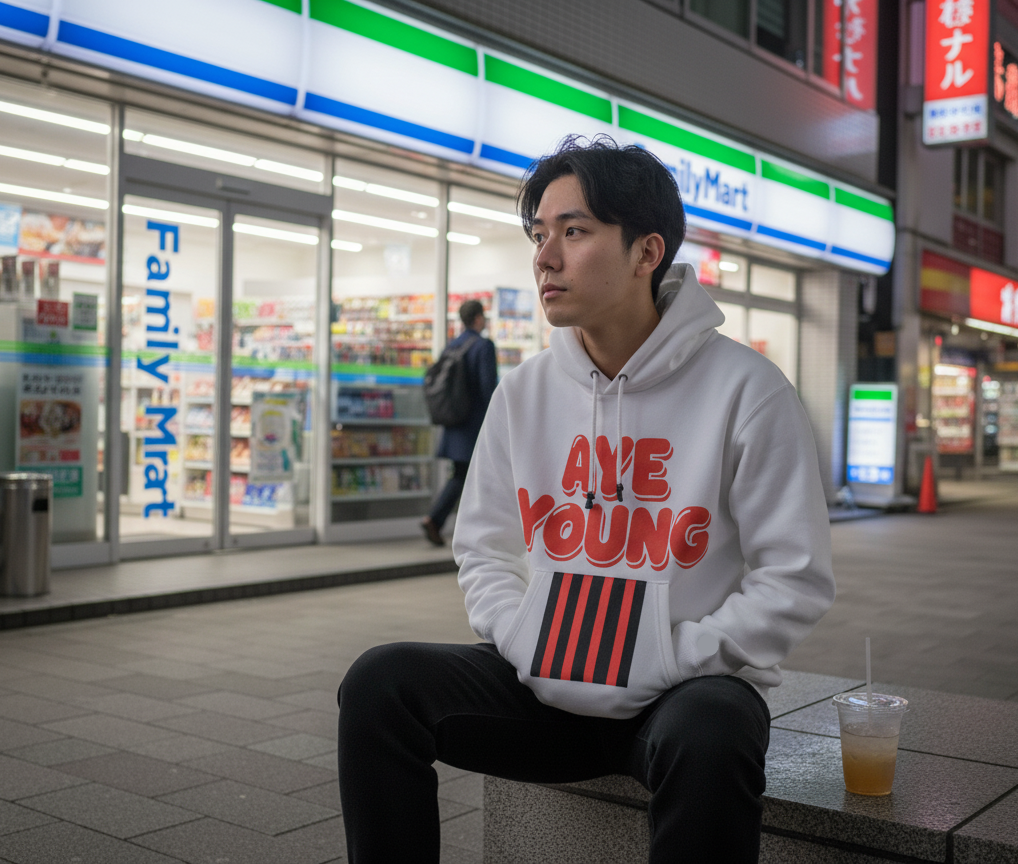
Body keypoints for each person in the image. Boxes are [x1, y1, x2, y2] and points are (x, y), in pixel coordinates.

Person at [338, 136, 835, 863]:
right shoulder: (525, 392)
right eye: (539, 234)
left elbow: (793, 576)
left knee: (713, 730)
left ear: (646, 252)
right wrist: (526, 641)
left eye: (573, 231)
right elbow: (483, 548)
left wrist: (674, 656)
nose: (545, 257)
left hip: (682, 692)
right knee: (380, 684)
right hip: (542, 684)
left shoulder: (748, 391)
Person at [420, 299, 497, 547]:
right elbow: (488, 387)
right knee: (472, 475)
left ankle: (440, 521)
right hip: (475, 425)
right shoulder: (483, 346)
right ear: (478, 318)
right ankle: (438, 519)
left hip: (455, 422)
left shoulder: (453, 345)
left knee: (463, 473)